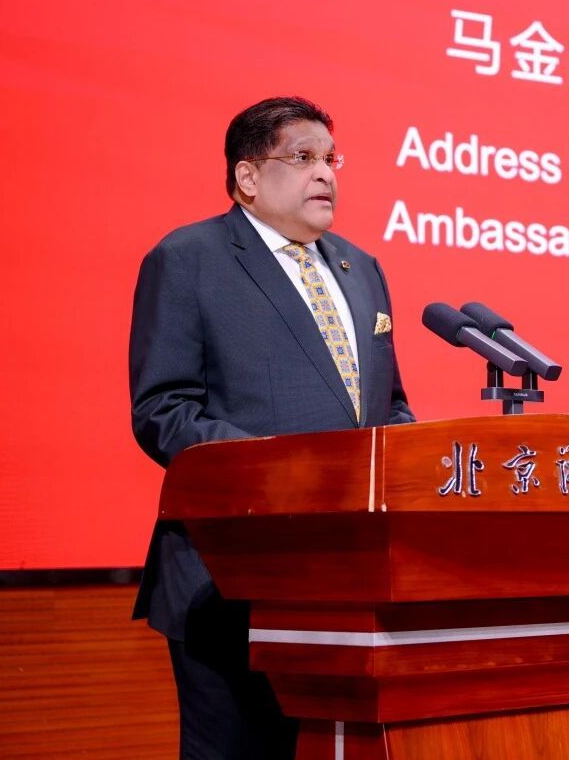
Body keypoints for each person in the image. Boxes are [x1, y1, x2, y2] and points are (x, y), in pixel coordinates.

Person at [129, 96, 414, 758]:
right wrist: (282, 470)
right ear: (248, 176)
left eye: (331, 159)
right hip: (231, 575)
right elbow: (163, 409)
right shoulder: (189, 257)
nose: (325, 174)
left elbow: (390, 406)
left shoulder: (361, 268)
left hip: (345, 578)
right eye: (303, 157)